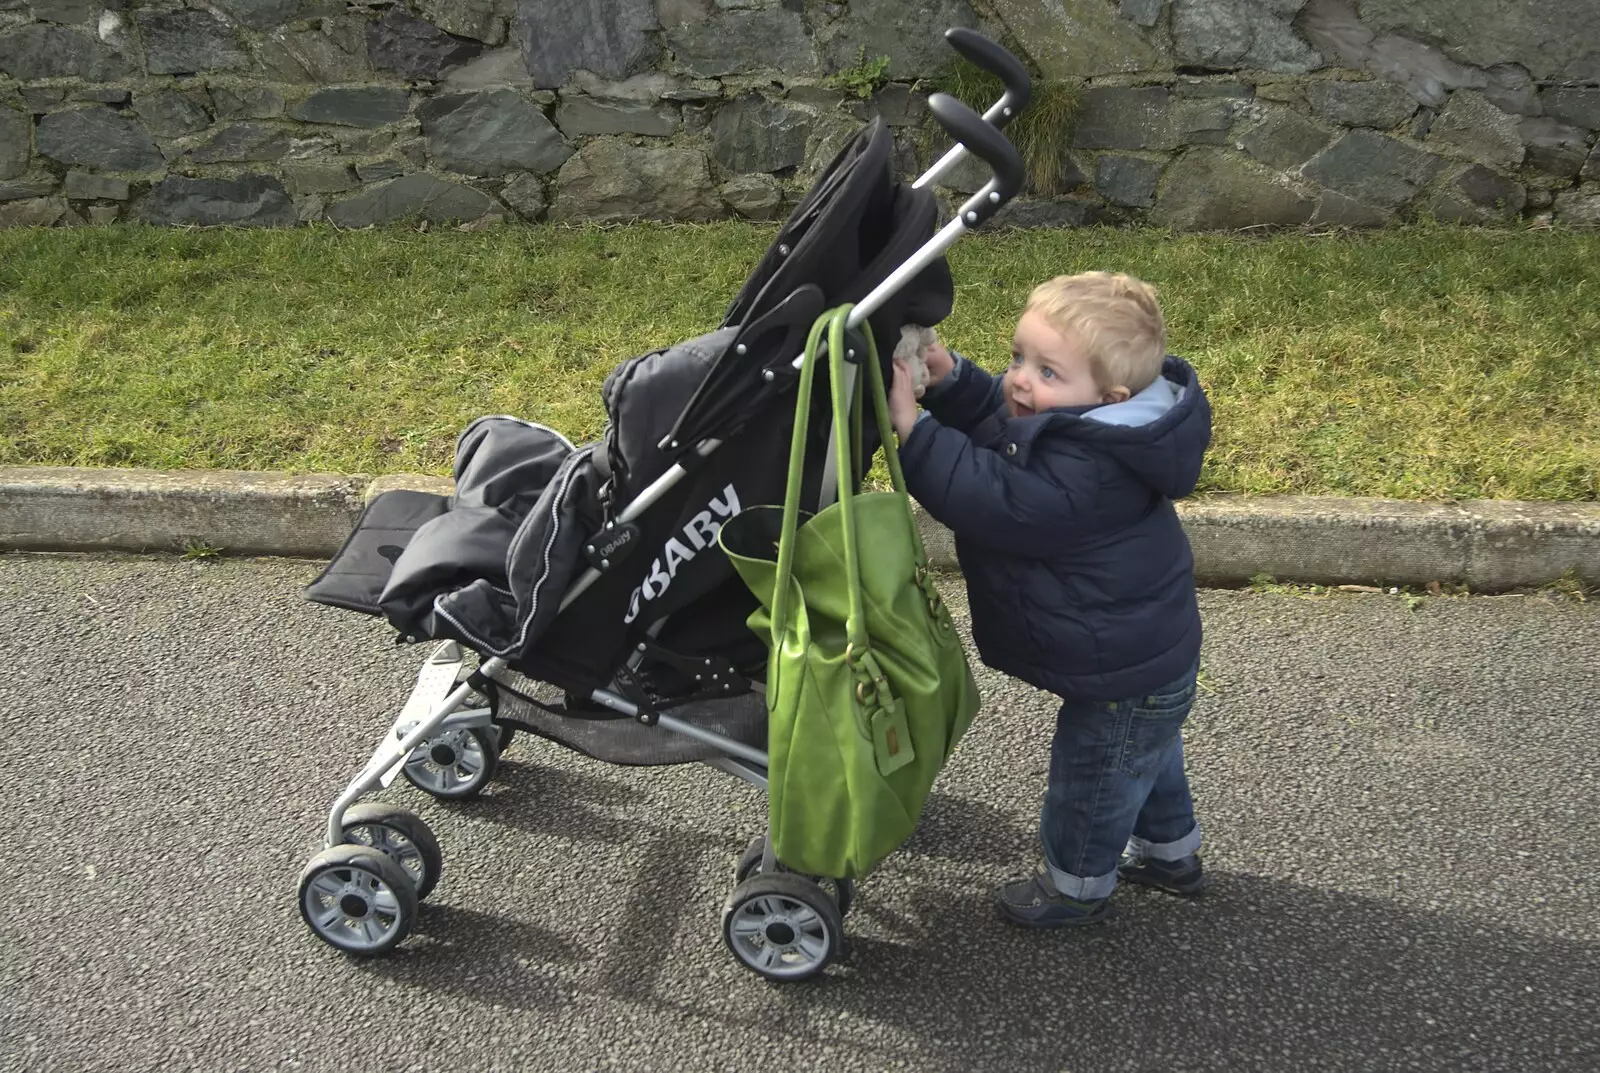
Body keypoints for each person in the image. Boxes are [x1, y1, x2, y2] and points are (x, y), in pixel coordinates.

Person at [886, 271, 1214, 927]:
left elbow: (996, 497)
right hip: (1145, 658)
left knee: (1093, 779)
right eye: (1017, 358)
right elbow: (1004, 426)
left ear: (1109, 395)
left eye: (1045, 371)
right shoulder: (1093, 427)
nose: (1019, 380)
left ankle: (1075, 886)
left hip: (1125, 667)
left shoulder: (1088, 472)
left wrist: (913, 429)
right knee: (1141, 759)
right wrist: (950, 377)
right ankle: (1173, 855)